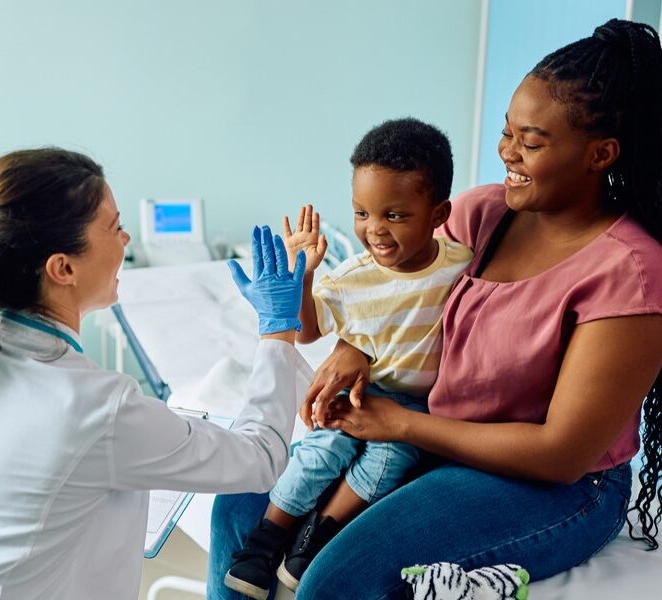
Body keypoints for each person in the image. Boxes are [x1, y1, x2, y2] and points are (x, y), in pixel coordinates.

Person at [208, 18, 662, 600]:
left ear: (601, 153)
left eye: (532, 141)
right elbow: (396, 285)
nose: (508, 154)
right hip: (428, 436)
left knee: (336, 579)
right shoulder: (483, 214)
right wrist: (354, 348)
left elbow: (560, 455)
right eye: (506, 133)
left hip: (548, 484)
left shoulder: (631, 275)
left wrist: (399, 424)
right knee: (241, 500)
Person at [0, 148, 312, 600]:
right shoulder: (91, 405)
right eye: (115, 227)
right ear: (63, 268)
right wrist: (278, 328)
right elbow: (260, 459)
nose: (125, 240)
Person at [223, 119, 473, 599]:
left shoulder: (461, 266)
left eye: (395, 215)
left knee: (387, 462)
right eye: (361, 213)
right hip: (363, 390)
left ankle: (318, 537)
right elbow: (309, 329)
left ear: (439, 212)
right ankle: (266, 539)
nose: (373, 230)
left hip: (414, 407)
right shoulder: (355, 276)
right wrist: (304, 280)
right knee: (322, 450)